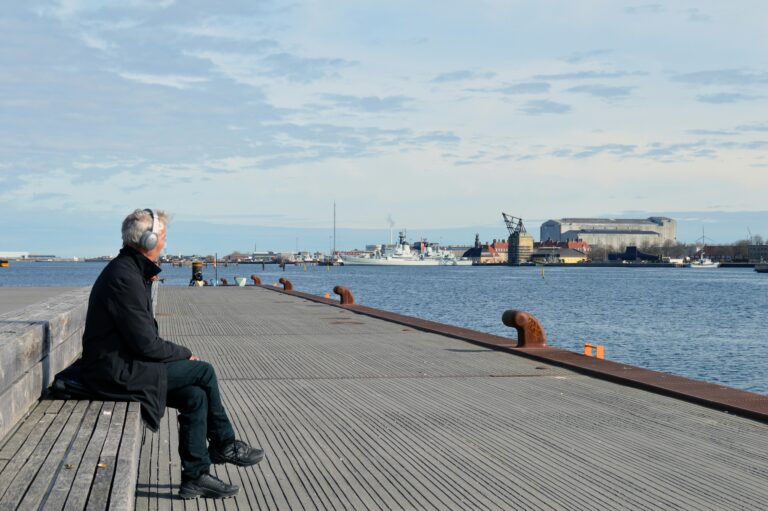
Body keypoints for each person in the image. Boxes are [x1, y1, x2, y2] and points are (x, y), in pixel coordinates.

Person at [81, 208, 264, 499]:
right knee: (203, 371)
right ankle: (224, 444)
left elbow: (144, 341)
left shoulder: (131, 272)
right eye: (163, 237)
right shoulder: (124, 278)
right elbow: (147, 345)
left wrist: (177, 355)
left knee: (195, 396)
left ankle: (196, 477)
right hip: (113, 372)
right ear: (148, 241)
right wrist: (185, 353)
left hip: (126, 364)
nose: (165, 244)